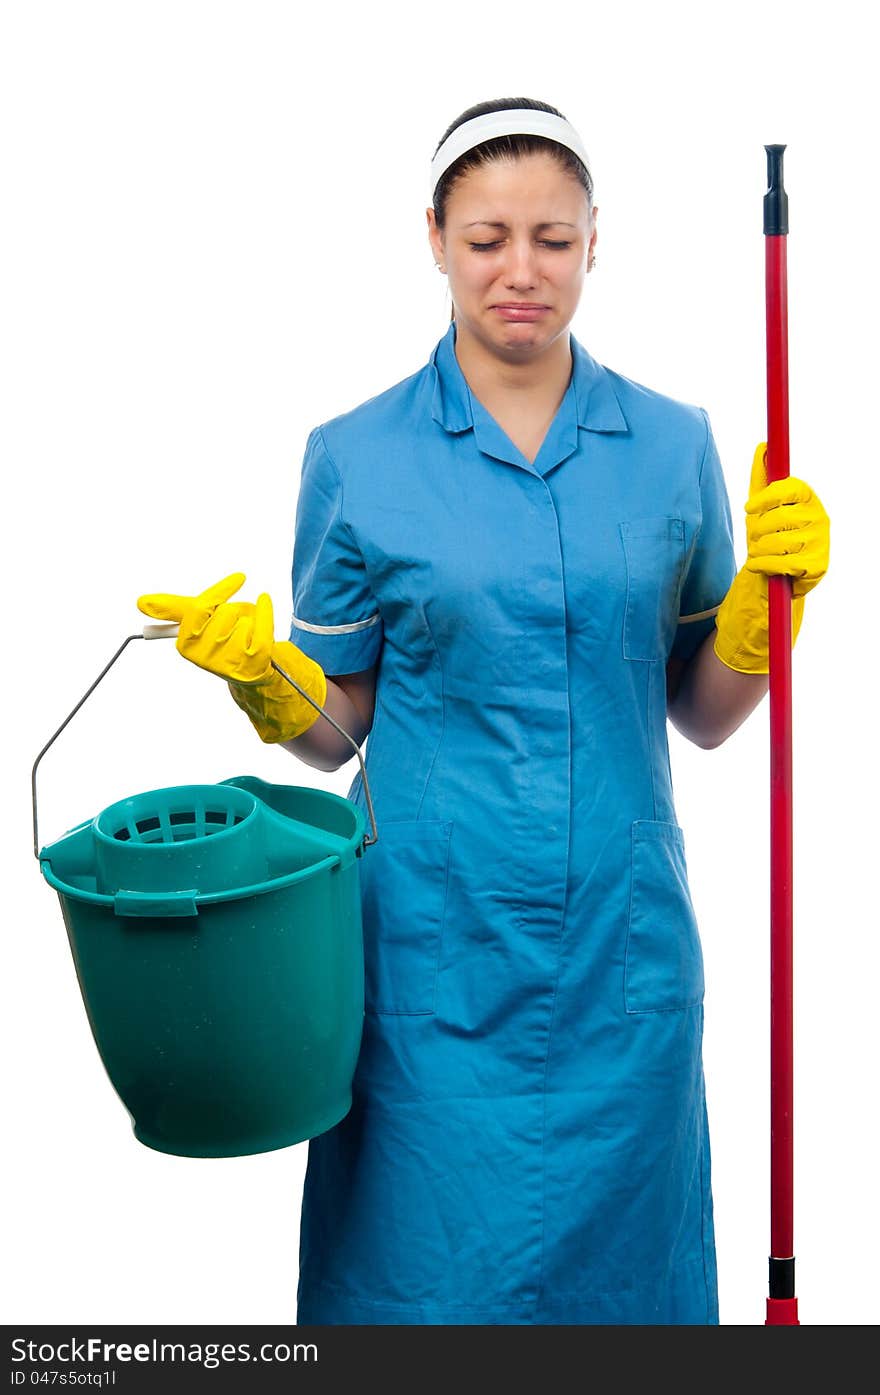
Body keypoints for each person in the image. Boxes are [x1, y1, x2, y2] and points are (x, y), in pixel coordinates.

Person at [138, 97, 830, 1324]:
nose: (522, 271)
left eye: (552, 239)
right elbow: (337, 721)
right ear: (435, 239)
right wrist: (267, 682)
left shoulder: (673, 446)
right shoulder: (355, 454)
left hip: (623, 956)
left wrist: (772, 614)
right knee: (416, 1289)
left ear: (595, 241)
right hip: (425, 957)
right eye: (487, 238)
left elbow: (708, 715)